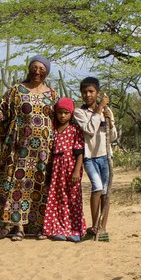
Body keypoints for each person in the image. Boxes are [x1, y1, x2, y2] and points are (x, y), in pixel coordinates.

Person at [0, 56, 57, 241]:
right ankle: (18, 227)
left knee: (41, 186)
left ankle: (39, 227)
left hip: (45, 150)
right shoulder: (17, 90)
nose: (37, 71)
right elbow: (3, 113)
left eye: (41, 68)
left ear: (46, 71)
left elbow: (61, 119)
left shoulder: (53, 94)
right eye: (34, 67)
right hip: (20, 148)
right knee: (18, 185)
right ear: (28, 69)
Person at [73, 77, 117, 242]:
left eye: (91, 91)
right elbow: (90, 130)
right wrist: (99, 110)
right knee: (97, 187)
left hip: (106, 155)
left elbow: (113, 136)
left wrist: (110, 123)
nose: (88, 95)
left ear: (97, 93)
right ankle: (94, 225)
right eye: (85, 92)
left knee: (106, 191)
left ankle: (103, 227)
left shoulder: (107, 111)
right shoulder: (80, 112)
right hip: (90, 157)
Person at [42, 97, 86, 242]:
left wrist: (76, 171)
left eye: (66, 113)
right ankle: (59, 229)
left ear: (71, 114)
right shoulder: (53, 130)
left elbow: (79, 152)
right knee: (58, 199)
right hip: (56, 170)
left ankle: (75, 230)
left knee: (73, 199)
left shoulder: (75, 130)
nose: (62, 116)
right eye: (60, 112)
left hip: (71, 168)